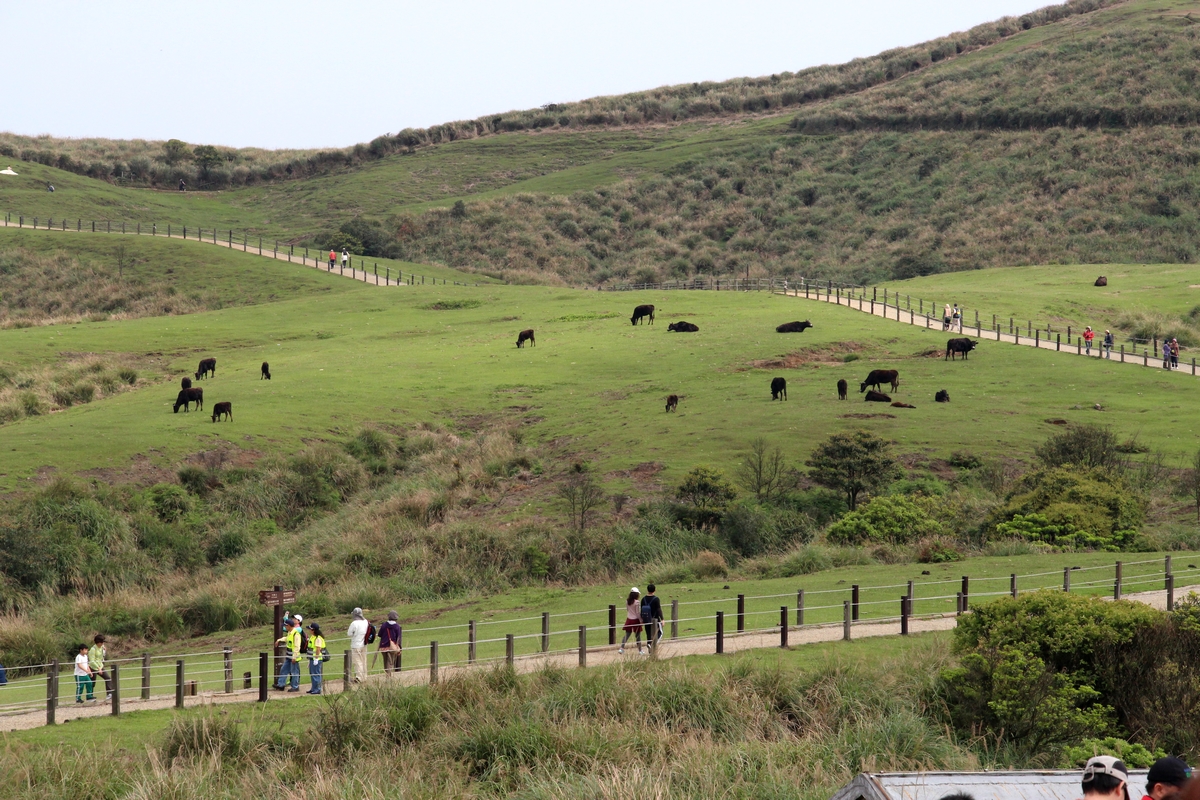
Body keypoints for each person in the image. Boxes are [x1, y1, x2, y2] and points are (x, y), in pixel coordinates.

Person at [275, 616, 302, 692]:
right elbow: (287, 639)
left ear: (289, 626)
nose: (285, 627)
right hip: (288, 656)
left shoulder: (296, 634)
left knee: (294, 672)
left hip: (293, 656)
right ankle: (281, 685)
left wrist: (294, 657)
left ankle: (295, 686)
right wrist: (279, 640)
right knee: (284, 670)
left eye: (286, 626)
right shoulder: (290, 633)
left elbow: (297, 646)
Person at [619, 587, 645, 655]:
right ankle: (640, 650)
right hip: (635, 620)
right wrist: (641, 620)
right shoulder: (637, 602)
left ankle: (621, 648)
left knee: (627, 635)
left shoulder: (627, 601)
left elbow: (627, 609)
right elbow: (637, 612)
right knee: (638, 636)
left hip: (629, 619)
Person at [347, 607, 369, 684]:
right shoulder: (366, 621)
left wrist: (354, 634)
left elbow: (349, 633)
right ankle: (364, 676)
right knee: (364, 660)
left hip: (356, 644)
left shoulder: (354, 623)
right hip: (364, 644)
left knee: (357, 662)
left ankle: (359, 678)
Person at [378, 611, 402, 677]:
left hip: (383, 646)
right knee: (390, 661)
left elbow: (379, 634)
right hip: (392, 646)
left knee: (385, 661)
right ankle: (388, 676)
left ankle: (386, 674)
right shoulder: (397, 626)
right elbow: (398, 637)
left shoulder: (384, 625)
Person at [88, 635, 112, 701]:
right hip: (93, 667)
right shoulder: (93, 649)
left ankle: (109, 694)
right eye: (102, 642)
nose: (103, 644)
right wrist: (98, 668)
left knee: (108, 678)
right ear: (98, 642)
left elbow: (102, 657)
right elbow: (92, 661)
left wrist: (104, 651)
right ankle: (90, 696)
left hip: (100, 666)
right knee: (92, 682)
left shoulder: (102, 648)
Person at [306, 623, 326, 695]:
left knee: (316, 674)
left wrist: (316, 658)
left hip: (316, 658)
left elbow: (318, 649)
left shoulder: (318, 638)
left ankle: (317, 689)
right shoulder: (313, 637)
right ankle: (313, 688)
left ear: (313, 630)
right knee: (312, 674)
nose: (309, 630)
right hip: (312, 658)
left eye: (310, 629)